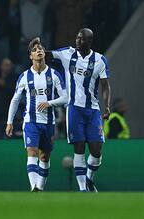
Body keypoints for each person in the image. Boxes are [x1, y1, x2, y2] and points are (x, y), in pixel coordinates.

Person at [45, 28, 111, 192]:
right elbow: (47, 55)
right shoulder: (68, 53)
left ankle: (89, 178)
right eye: (77, 38)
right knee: (79, 148)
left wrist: (107, 106)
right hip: (74, 109)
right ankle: (83, 190)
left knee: (96, 150)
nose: (78, 41)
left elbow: (105, 86)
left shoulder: (100, 60)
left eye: (82, 39)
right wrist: (36, 47)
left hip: (93, 110)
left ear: (89, 41)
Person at [6, 38, 67, 191]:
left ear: (44, 53)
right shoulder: (25, 77)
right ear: (30, 56)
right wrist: (9, 122)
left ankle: (39, 187)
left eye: (40, 49)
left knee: (44, 158)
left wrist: (50, 103)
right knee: (32, 152)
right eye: (35, 50)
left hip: (48, 122)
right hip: (30, 122)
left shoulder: (54, 75)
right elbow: (15, 100)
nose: (39, 51)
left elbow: (66, 98)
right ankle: (34, 186)